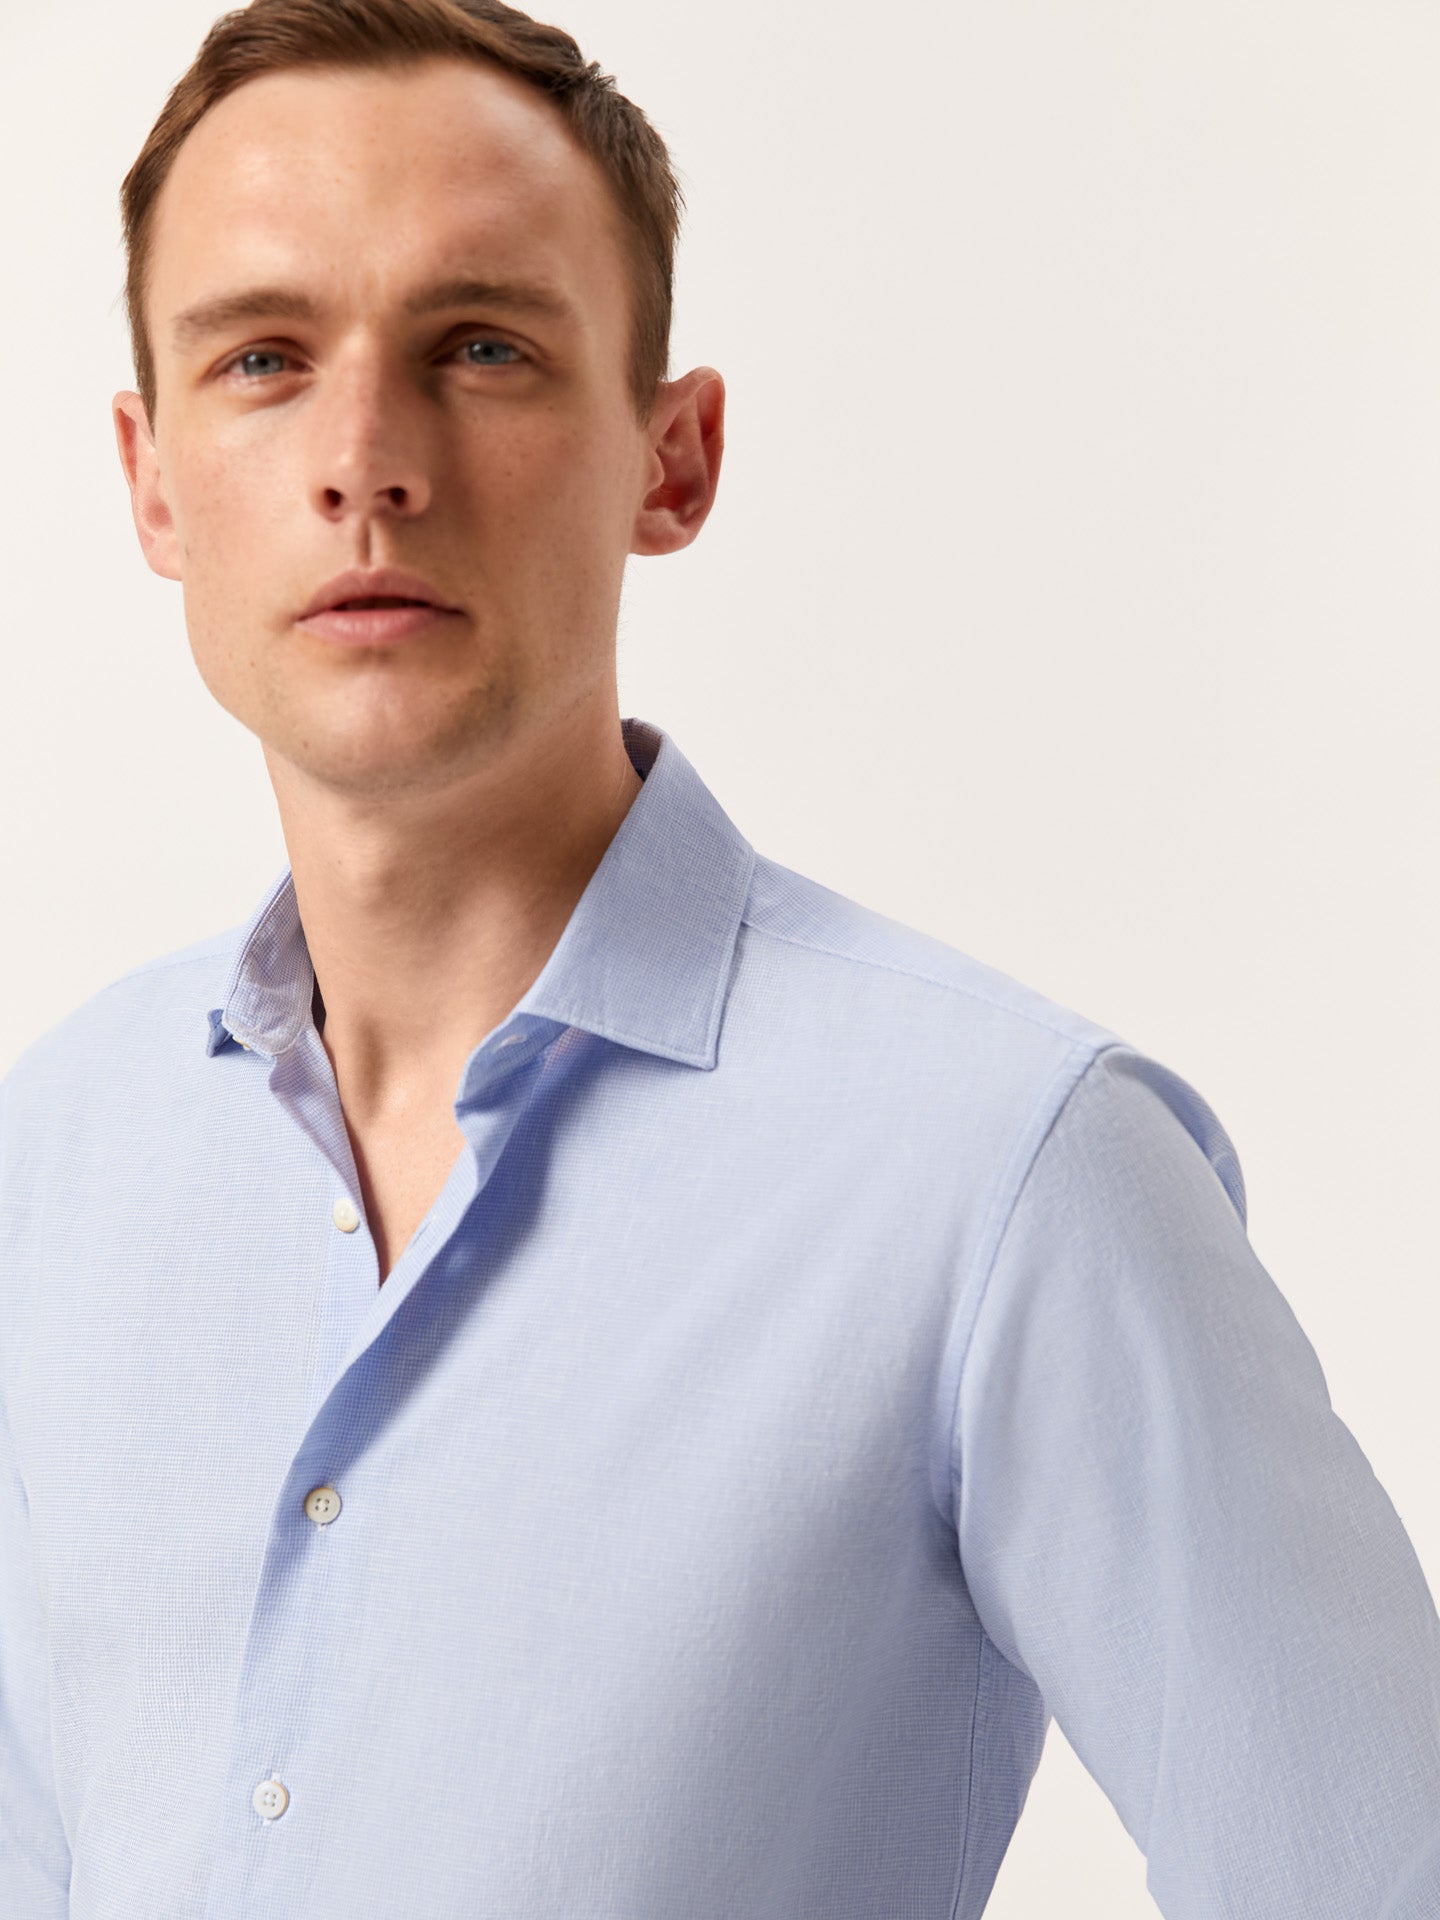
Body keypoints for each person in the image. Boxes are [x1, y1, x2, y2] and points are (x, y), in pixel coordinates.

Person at [0, 0, 1435, 1913]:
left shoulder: (1003, 1171)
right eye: (263, 358)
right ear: (153, 480)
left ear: (672, 462)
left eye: (481, 347)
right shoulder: (53, 1169)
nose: (366, 461)